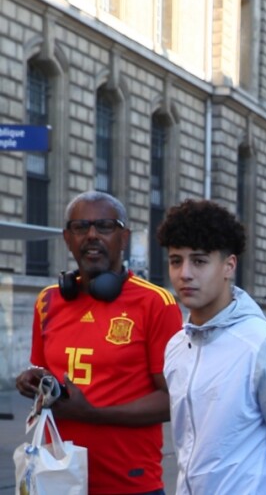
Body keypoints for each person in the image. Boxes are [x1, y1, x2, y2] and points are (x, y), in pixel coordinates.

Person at [16, 191, 183, 495]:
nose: (92, 235)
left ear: (124, 237)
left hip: (131, 484)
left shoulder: (156, 303)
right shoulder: (48, 300)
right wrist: (33, 379)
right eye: (81, 227)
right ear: (67, 238)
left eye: (105, 226)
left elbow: (173, 399)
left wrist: (92, 413)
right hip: (59, 479)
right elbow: (45, 371)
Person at [156, 199, 266, 494]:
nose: (184, 273)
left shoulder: (263, 346)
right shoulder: (176, 347)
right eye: (176, 260)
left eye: (199, 261)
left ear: (229, 265)